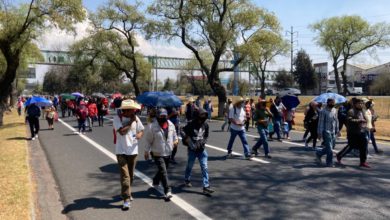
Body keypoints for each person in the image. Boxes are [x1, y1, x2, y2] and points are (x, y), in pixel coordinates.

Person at [112, 99, 144, 210]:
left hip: (133, 151)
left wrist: (139, 135)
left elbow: (141, 130)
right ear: (127, 110)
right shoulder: (117, 119)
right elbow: (122, 132)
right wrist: (131, 122)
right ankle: (126, 199)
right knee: (125, 176)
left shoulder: (136, 118)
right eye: (132, 110)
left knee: (131, 176)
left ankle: (127, 192)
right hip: (121, 152)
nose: (134, 111)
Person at [144, 108, 179, 201]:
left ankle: (155, 180)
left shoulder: (171, 125)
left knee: (163, 170)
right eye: (161, 116)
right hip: (157, 152)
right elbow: (148, 140)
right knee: (163, 171)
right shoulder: (152, 126)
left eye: (164, 116)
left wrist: (176, 140)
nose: (163, 117)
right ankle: (167, 190)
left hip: (168, 151)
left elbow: (175, 135)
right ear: (157, 116)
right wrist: (146, 151)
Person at [181, 108, 215, 195]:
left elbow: (206, 136)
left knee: (204, 167)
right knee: (189, 165)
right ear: (197, 115)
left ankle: (206, 186)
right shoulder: (191, 124)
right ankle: (187, 179)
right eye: (201, 115)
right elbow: (182, 130)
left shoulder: (206, 125)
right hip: (192, 149)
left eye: (204, 115)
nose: (203, 117)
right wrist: (187, 139)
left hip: (202, 150)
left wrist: (202, 142)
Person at [336, 98, 370, 168]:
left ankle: (363, 162)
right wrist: (359, 120)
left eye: (361, 103)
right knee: (351, 146)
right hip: (353, 132)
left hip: (362, 131)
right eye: (359, 103)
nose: (360, 105)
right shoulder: (351, 111)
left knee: (363, 147)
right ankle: (339, 155)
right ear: (355, 104)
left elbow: (367, 118)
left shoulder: (363, 111)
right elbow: (349, 120)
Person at [315, 98, 339, 167]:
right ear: (328, 103)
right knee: (330, 148)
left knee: (331, 147)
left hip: (333, 131)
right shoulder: (323, 111)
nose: (333, 104)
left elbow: (336, 121)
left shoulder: (334, 110)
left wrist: (338, 130)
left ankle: (319, 153)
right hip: (326, 131)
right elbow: (320, 123)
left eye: (334, 102)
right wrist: (319, 133)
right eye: (331, 102)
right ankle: (329, 162)